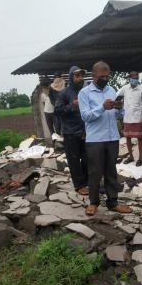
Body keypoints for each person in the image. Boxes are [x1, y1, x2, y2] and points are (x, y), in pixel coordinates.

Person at [78, 61, 133, 216]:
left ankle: (113, 202)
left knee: (111, 171)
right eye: (102, 76)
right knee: (95, 172)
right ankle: (93, 202)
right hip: (95, 139)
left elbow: (114, 115)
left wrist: (119, 109)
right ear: (94, 75)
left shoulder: (111, 90)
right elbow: (85, 116)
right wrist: (102, 107)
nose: (105, 78)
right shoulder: (85, 93)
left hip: (112, 137)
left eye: (107, 76)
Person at [55, 66, 89, 196]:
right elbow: (57, 111)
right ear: (71, 77)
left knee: (87, 158)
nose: (80, 78)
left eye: (81, 75)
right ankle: (79, 185)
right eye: (77, 76)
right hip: (70, 132)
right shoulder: (64, 93)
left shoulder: (86, 92)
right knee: (74, 160)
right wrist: (72, 106)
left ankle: (87, 182)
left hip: (86, 131)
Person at [117, 71, 142, 166]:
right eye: (133, 78)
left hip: (138, 117)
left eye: (136, 78)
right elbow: (116, 95)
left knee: (139, 138)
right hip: (127, 117)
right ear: (129, 78)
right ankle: (131, 156)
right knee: (128, 138)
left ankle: (140, 158)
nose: (135, 79)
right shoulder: (125, 88)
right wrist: (118, 104)